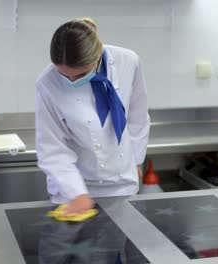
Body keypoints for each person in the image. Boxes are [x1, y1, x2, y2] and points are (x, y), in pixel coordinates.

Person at [35, 18, 150, 215]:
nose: (71, 81)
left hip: (123, 186)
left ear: (96, 58)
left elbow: (137, 117)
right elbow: (52, 149)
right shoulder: (47, 83)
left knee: (121, 244)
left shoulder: (128, 61)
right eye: (64, 75)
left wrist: (137, 159)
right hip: (73, 190)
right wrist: (77, 193)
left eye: (79, 75)